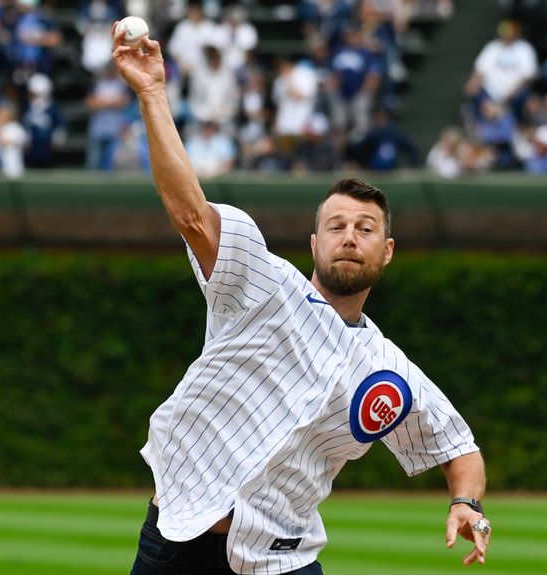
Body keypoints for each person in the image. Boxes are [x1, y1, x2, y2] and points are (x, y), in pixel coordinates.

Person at [112, 26, 491, 575]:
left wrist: (467, 502)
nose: (349, 235)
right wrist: (152, 93)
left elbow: (460, 448)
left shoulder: (389, 370)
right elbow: (191, 214)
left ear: (387, 252)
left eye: (366, 227)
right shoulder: (263, 283)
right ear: (314, 243)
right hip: (178, 543)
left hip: (282, 560)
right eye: (336, 225)